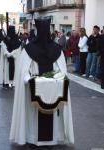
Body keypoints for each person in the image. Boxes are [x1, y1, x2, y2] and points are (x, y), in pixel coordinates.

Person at [10, 18, 74, 147]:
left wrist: (57, 78)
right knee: (34, 116)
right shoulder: (29, 50)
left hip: (53, 90)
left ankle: (51, 140)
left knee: (50, 115)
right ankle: (33, 139)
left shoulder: (56, 49)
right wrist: (29, 79)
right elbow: (24, 71)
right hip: (33, 89)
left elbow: (61, 71)